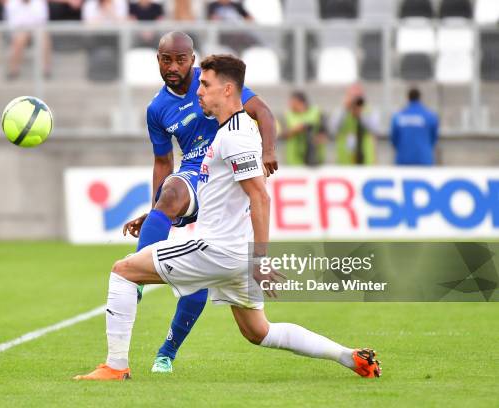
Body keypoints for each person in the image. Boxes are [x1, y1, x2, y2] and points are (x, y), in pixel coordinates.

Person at [73, 54, 381, 381]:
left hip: (217, 250)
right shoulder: (228, 132)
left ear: (228, 89)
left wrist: (261, 258)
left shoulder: (234, 135)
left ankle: (115, 366)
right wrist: (153, 213)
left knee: (123, 272)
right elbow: (218, 195)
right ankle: (349, 357)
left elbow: (260, 195)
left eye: (205, 85)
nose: (199, 92)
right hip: (234, 253)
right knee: (258, 331)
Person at [119, 32, 278, 374]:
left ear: (192, 59)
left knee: (202, 280)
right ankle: (137, 279)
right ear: (157, 60)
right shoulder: (157, 109)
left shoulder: (213, 83)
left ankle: (167, 351)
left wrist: (268, 151)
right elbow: (163, 164)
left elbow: (262, 112)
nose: (173, 67)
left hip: (227, 175)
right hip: (194, 174)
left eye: (180, 60)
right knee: (171, 193)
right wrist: (155, 214)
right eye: (166, 59)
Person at [330, 84, 379, 165]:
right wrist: (345, 109)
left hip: (365, 155)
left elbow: (375, 129)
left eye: (358, 96)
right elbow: (333, 129)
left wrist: (360, 114)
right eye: (353, 96)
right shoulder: (339, 111)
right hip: (345, 157)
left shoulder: (370, 111)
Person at [3, 0, 52, 80]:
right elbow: (12, 24)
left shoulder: (39, 2)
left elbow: (42, 21)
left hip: (35, 29)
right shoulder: (12, 3)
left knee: (44, 37)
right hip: (18, 31)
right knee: (20, 38)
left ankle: (46, 70)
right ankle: (13, 70)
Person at [390, 87, 439, 165]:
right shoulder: (430, 116)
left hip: (403, 160)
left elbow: (394, 139)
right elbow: (434, 139)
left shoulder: (398, 116)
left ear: (408, 98)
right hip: (424, 159)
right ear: (420, 98)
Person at [282, 91, 327, 166]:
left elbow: (325, 133)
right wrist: (295, 130)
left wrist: (317, 139)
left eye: (292, 102)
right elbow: (282, 135)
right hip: (294, 160)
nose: (290, 105)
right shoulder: (288, 115)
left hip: (314, 158)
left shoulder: (317, 112)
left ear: (301, 102)